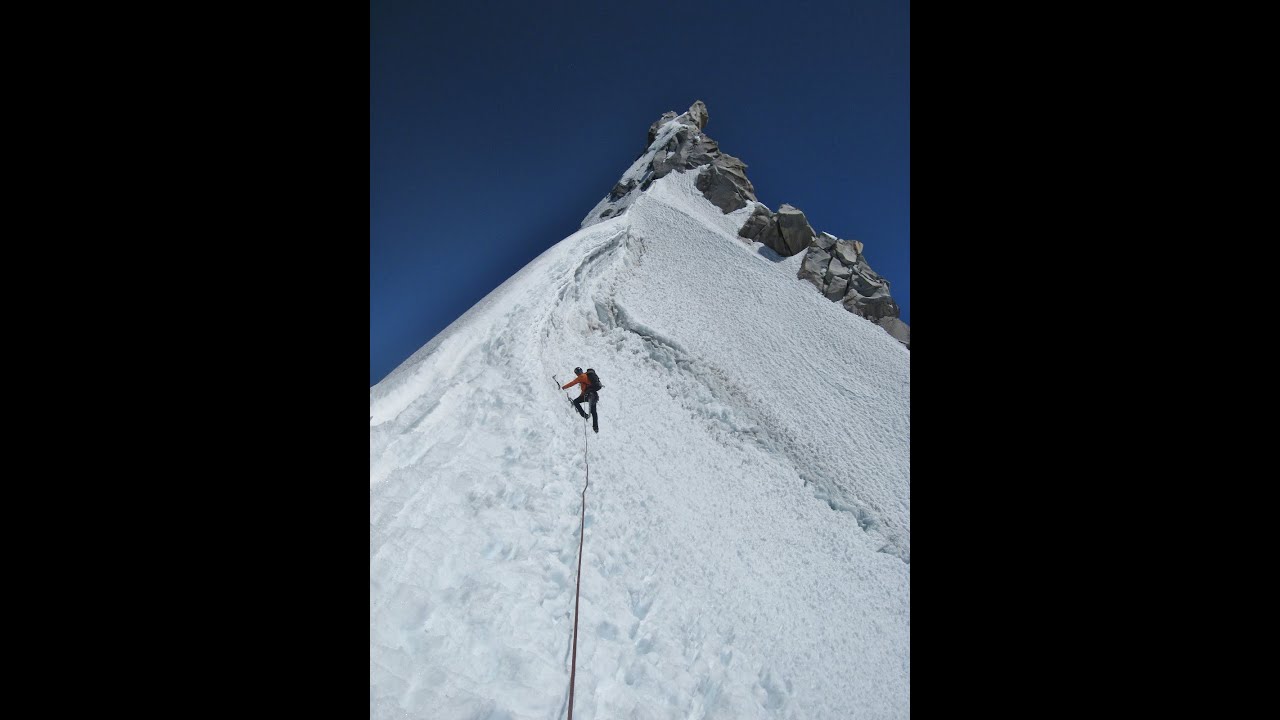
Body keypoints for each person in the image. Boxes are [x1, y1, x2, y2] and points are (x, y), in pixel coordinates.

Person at [562, 366, 599, 433]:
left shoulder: (581, 377)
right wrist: (580, 396)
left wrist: (563, 387)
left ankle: (584, 415)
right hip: (594, 395)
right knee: (594, 412)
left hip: (588, 395)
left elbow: (572, 383)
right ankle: (595, 428)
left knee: (576, 401)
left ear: (577, 373)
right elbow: (585, 390)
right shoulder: (587, 376)